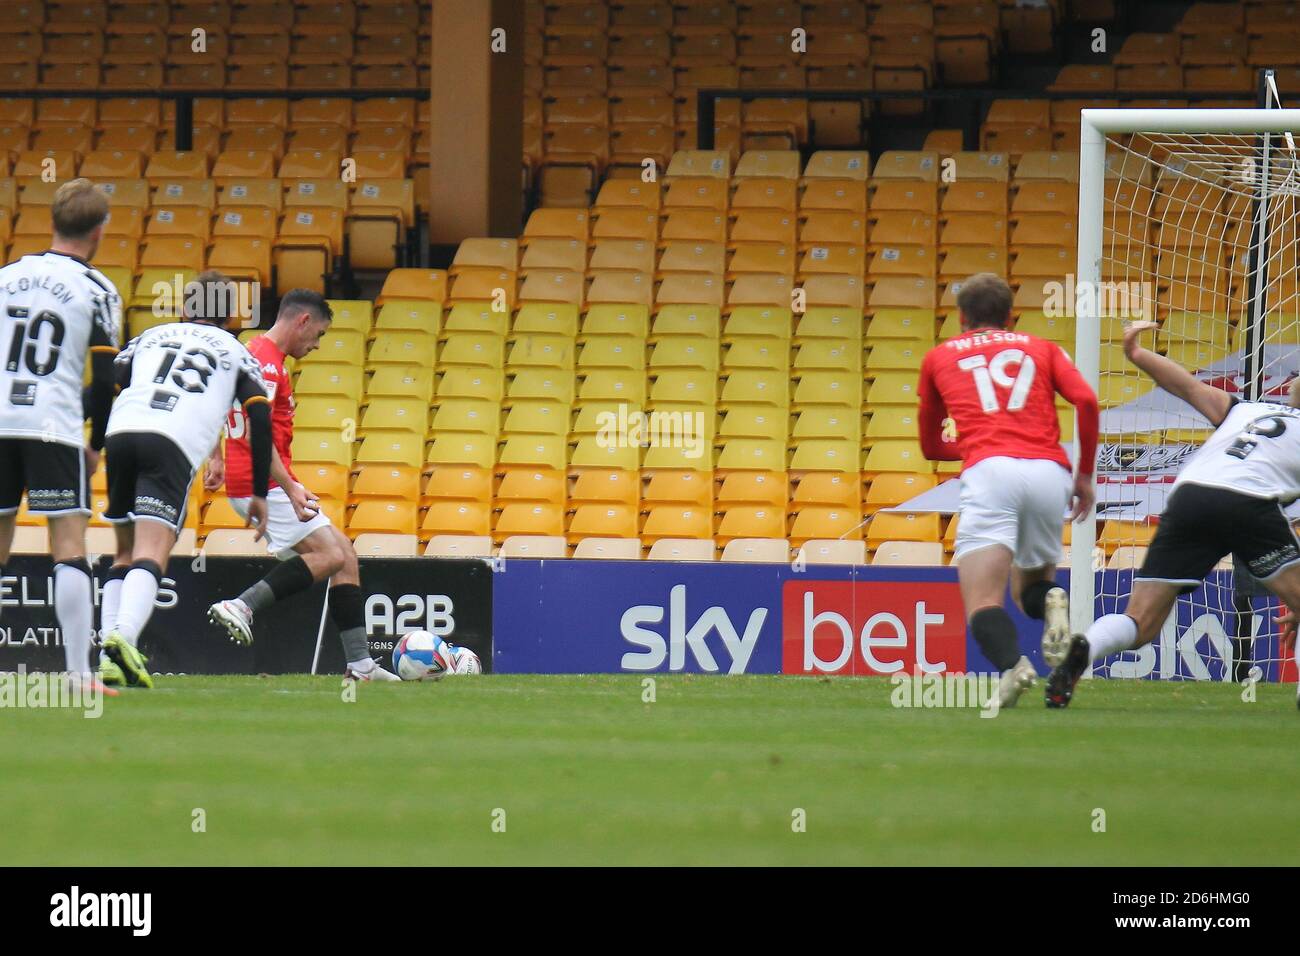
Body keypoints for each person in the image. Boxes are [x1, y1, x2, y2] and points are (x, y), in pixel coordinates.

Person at [1047, 320, 1300, 709]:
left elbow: (1186, 386)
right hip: (1250, 501)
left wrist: (1137, 354)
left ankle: (1086, 648)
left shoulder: (1247, 410)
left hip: (1191, 495)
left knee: (1141, 621)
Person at [917, 273, 1100, 708]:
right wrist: (1085, 476)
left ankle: (1014, 666)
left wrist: (966, 445)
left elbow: (929, 446)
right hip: (1048, 470)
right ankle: (1054, 600)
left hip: (990, 471)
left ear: (960, 317)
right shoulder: (1043, 348)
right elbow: (1088, 402)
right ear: (1011, 317)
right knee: (1030, 588)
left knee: (983, 599)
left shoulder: (939, 357)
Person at [204, 289, 399, 682]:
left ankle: (360, 665)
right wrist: (291, 488)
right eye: (319, 334)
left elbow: (216, 402)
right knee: (331, 556)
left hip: (253, 477)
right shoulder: (270, 366)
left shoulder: (248, 350)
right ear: (302, 322)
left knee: (343, 552)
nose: (316, 344)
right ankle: (241, 606)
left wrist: (216, 456)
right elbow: (262, 436)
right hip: (263, 482)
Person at [97, 270, 272, 688]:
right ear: (230, 315)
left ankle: (108, 653)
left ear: (183, 309)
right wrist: (261, 490)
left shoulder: (151, 336)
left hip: (120, 434)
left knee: (123, 550)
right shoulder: (236, 349)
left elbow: (108, 383)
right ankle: (123, 639)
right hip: (169, 445)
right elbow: (259, 414)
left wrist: (92, 441)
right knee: (152, 551)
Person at [0, 178, 121, 692]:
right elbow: (105, 374)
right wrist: (98, 442)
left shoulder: (6, 276)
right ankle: (77, 674)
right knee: (69, 546)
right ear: (98, 232)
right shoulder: (98, 291)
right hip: (54, 426)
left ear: (51, 220)